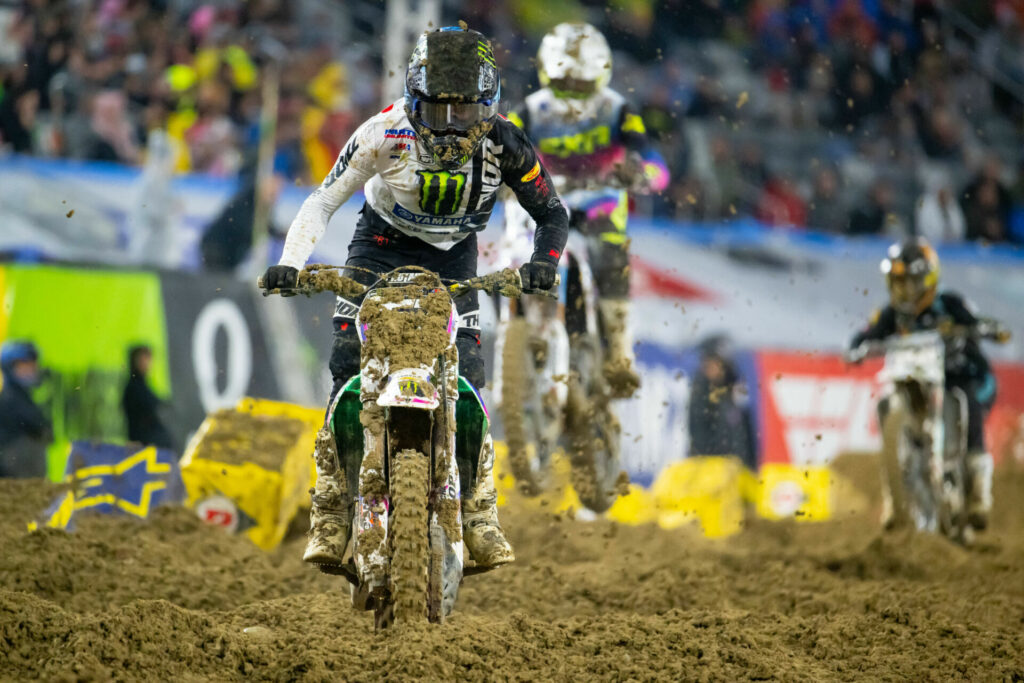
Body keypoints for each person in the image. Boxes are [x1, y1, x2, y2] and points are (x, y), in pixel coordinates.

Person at [260, 26, 568, 568]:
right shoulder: (383, 131)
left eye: (465, 112)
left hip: (454, 259)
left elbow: (552, 212)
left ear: (489, 104)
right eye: (438, 111)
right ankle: (330, 509)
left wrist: (544, 263)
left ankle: (480, 510)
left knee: (469, 375)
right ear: (413, 98)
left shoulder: (507, 142)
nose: (451, 127)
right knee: (346, 366)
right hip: (377, 248)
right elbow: (322, 200)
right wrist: (290, 264)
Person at [506, 22, 669, 398]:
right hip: (544, 200)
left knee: (610, 257)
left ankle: (621, 353)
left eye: (582, 84)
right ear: (548, 74)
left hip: (600, 202)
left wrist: (642, 174)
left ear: (602, 76)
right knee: (511, 253)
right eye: (566, 83)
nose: (574, 94)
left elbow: (654, 162)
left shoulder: (618, 110)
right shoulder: (530, 111)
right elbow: (494, 146)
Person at [848, 238, 1010, 531]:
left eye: (910, 282)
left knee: (966, 401)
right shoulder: (892, 314)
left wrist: (984, 329)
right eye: (898, 282)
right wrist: (857, 347)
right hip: (913, 377)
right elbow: (867, 334)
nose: (904, 291)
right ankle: (892, 497)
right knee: (884, 402)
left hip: (962, 376)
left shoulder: (949, 303)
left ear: (928, 279)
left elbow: (976, 321)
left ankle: (977, 490)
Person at [0, 341, 51, 478]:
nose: (33, 368)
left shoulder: (19, 397)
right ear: (10, 369)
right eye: (25, 365)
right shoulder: (11, 400)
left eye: (33, 363)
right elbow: (44, 430)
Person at [122, 345, 174, 451]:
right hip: (145, 446)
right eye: (142, 359)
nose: (147, 363)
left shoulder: (142, 385)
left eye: (148, 359)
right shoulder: (134, 387)